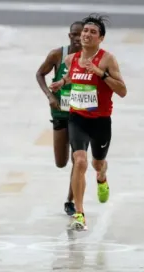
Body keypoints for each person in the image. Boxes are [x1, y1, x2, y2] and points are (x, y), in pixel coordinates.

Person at [50, 13, 127, 231]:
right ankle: (80, 213)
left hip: (101, 121)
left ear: (101, 38)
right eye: (85, 31)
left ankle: (102, 176)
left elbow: (122, 91)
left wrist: (101, 74)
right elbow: (74, 77)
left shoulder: (107, 59)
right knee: (80, 161)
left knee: (96, 163)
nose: (87, 35)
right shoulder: (70, 59)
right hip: (77, 118)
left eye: (93, 32)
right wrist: (61, 82)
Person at [36, 21, 84, 216]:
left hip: (81, 113)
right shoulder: (57, 55)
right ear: (69, 36)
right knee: (61, 162)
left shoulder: (92, 58)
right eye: (74, 34)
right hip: (60, 112)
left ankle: (70, 201)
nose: (78, 38)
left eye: (81, 35)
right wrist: (49, 95)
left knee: (78, 159)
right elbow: (39, 74)